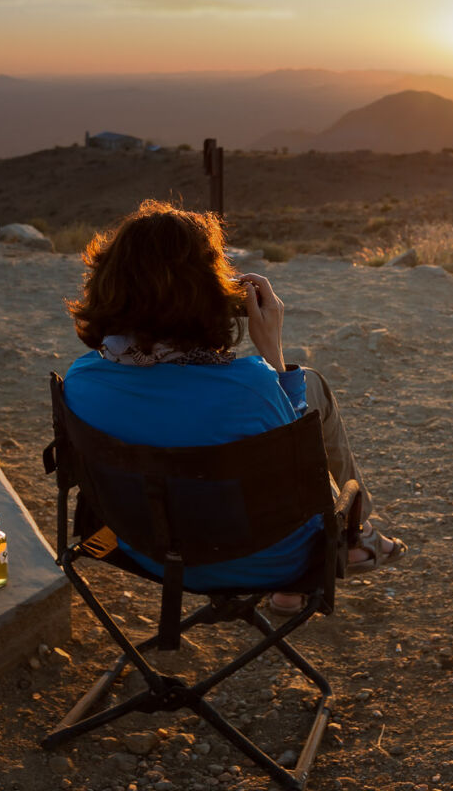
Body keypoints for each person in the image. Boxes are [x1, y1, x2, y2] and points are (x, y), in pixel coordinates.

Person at [62, 200, 401, 613]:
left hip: (140, 549)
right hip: (268, 560)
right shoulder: (251, 388)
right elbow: (301, 475)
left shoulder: (81, 380)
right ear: (210, 290)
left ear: (107, 282)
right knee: (307, 387)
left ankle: (356, 536)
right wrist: (272, 354)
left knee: (307, 385)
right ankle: (353, 536)